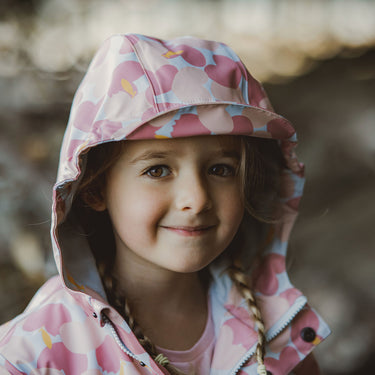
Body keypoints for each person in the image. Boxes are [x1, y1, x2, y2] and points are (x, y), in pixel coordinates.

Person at [0, 34, 330, 375]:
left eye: (220, 169)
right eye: (157, 170)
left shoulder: (279, 329)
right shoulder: (38, 353)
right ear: (94, 190)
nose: (197, 199)